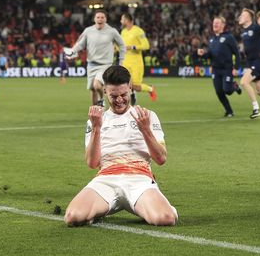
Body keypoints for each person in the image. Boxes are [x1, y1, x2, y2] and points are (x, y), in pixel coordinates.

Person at [64, 65, 177, 226]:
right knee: (73, 217)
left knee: (165, 219)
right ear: (104, 91)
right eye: (113, 95)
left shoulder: (147, 116)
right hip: (106, 179)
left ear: (130, 87)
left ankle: (161, 206)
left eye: (124, 94)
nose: (119, 100)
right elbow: (92, 163)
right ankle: (102, 207)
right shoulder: (96, 119)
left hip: (139, 180)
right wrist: (96, 128)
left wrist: (145, 129)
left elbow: (161, 158)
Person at [65, 9, 126, 106]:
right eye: (98, 17)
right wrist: (73, 50)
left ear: (106, 19)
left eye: (102, 17)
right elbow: (80, 44)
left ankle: (101, 100)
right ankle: (94, 114)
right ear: (94, 19)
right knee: (92, 89)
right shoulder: (88, 31)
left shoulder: (112, 31)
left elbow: (122, 45)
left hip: (105, 65)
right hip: (91, 64)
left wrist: (121, 60)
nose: (100, 19)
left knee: (97, 85)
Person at [197, 16, 242, 117]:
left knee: (227, 91)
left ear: (223, 25)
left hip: (227, 69)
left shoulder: (229, 37)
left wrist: (236, 67)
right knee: (219, 91)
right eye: (214, 23)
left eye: (217, 23)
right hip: (216, 70)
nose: (215, 25)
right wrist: (203, 54)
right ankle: (229, 111)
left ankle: (234, 86)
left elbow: (237, 53)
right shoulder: (212, 39)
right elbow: (210, 55)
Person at [120, 13, 156, 105]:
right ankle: (132, 99)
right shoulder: (123, 32)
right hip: (125, 61)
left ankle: (150, 89)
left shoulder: (138, 31)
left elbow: (146, 45)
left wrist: (132, 47)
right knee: (126, 84)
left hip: (136, 62)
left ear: (127, 20)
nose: (121, 21)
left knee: (135, 86)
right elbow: (121, 45)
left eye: (122, 19)